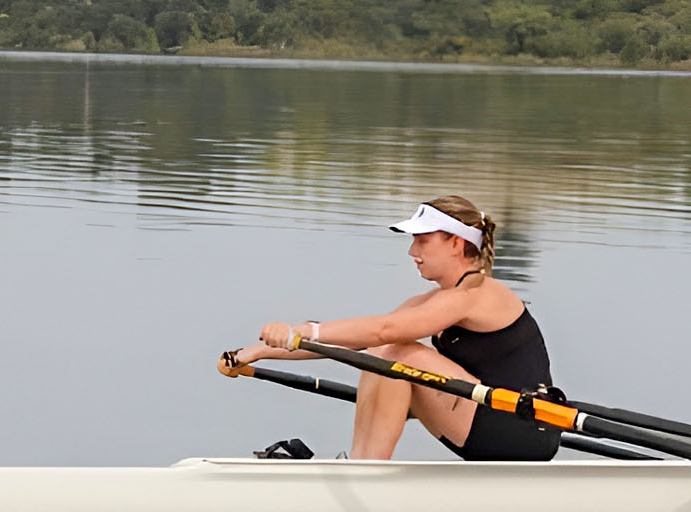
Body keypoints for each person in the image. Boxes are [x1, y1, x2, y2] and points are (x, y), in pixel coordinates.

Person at [220, 196, 560, 461]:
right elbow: (359, 342)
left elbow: (384, 331)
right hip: (487, 420)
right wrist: (256, 352)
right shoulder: (434, 301)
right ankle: (363, 463)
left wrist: (303, 329)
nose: (412, 251)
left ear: (456, 243)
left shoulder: (476, 294)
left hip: (524, 430)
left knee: (396, 352)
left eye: (422, 240)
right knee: (381, 353)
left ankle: (366, 470)